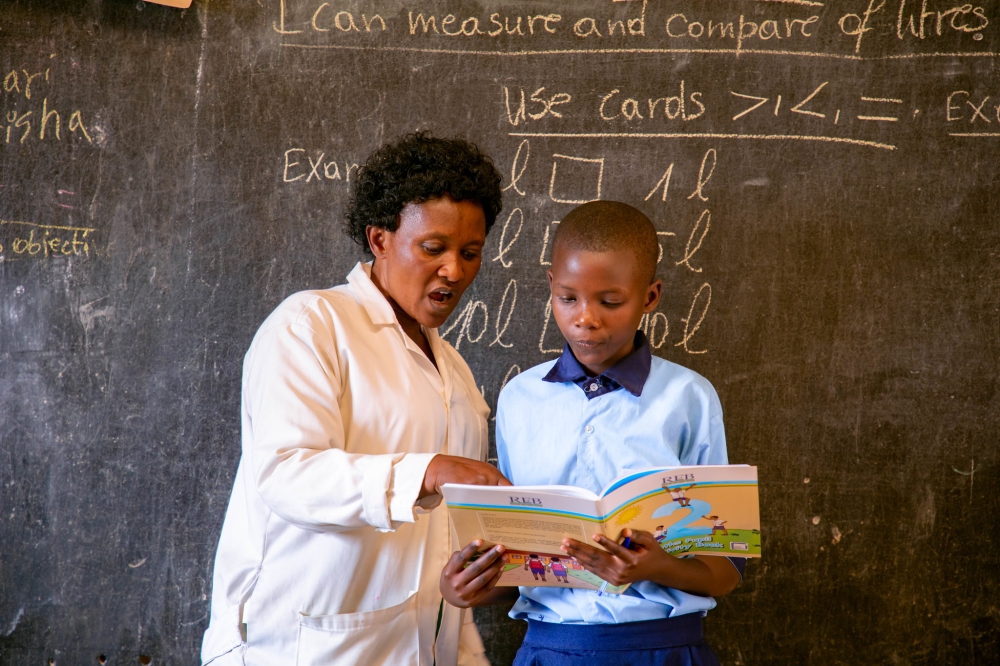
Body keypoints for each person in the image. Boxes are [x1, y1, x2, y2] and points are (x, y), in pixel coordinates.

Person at [201, 132, 511, 666]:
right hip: (300, 647)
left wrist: (473, 602)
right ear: (379, 239)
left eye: (471, 252)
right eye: (432, 248)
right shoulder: (312, 326)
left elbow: (442, 543)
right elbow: (285, 474)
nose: (455, 271)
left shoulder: (456, 377)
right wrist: (427, 470)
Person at [493, 201, 746, 665]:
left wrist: (656, 566)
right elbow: (509, 545)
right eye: (567, 298)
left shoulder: (690, 398)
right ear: (551, 286)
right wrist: (468, 583)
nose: (585, 318)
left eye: (610, 302)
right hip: (551, 649)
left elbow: (724, 570)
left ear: (649, 297)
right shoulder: (519, 399)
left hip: (663, 648)